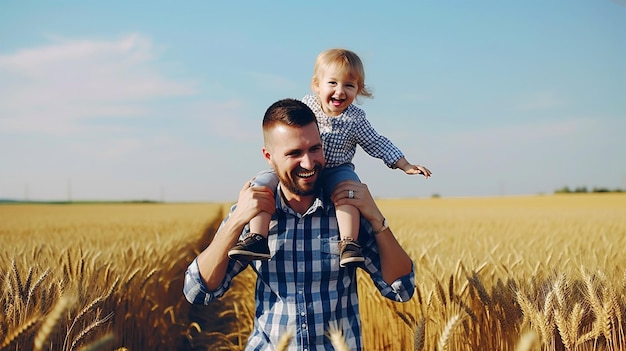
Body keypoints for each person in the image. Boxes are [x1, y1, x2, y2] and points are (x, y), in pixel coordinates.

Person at [183, 98, 416, 350]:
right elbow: (198, 291)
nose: (308, 163)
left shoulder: (347, 212)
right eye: (294, 153)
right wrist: (237, 220)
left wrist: (376, 218)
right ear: (268, 157)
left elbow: (401, 289)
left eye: (315, 149)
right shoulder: (255, 212)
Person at [228, 48, 431, 267]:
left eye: (349, 85)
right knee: (262, 184)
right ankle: (257, 238)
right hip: (301, 169)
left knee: (349, 191)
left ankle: (349, 243)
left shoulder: (356, 119)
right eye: (332, 83)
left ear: (358, 90)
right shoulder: (306, 107)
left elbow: (376, 142)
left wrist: (404, 164)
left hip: (337, 168)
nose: (340, 91)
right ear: (317, 85)